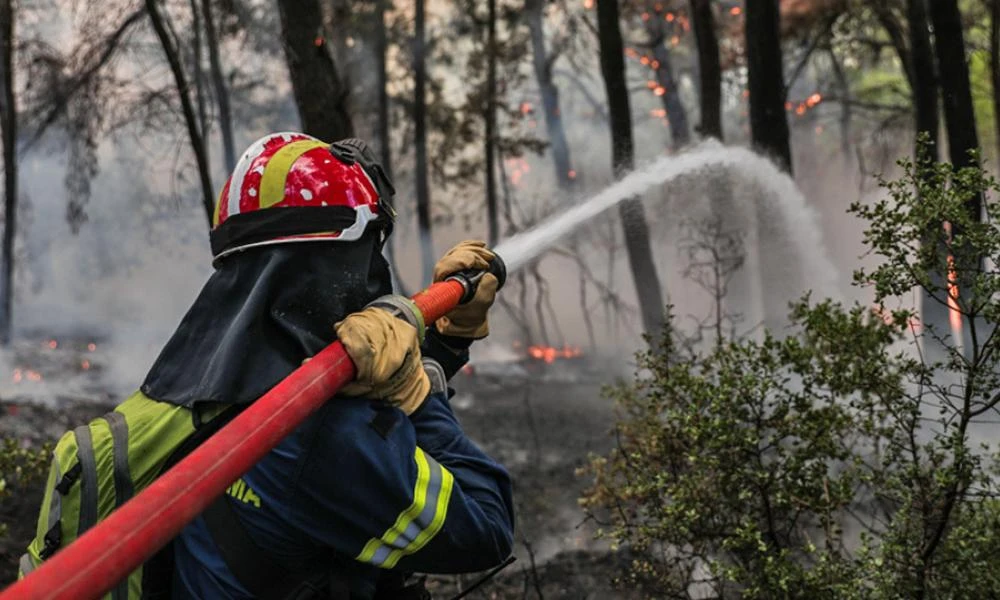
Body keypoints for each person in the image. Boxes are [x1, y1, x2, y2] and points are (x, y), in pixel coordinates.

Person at [139, 133, 514, 599]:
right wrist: (418, 395)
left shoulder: (189, 392)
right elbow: (487, 526)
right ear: (337, 265)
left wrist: (445, 342)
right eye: (368, 254)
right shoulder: (317, 437)